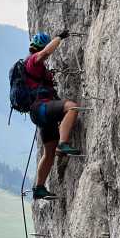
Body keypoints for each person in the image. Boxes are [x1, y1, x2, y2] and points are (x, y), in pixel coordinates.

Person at [25, 31, 80, 200]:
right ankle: (63, 144)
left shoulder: (36, 69)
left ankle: (39, 188)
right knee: (72, 107)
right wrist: (60, 38)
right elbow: (45, 53)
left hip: (39, 113)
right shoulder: (33, 61)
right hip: (41, 108)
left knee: (48, 153)